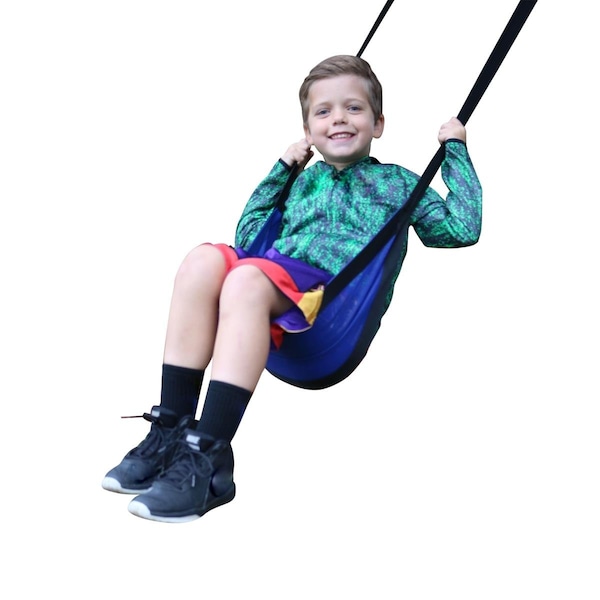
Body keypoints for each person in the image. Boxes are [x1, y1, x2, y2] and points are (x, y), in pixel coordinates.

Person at [102, 54, 482, 523]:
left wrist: (455, 151)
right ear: (308, 131)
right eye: (324, 111)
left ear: (379, 124)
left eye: (354, 108)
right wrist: (283, 168)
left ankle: (207, 456)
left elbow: (461, 228)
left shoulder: (397, 183)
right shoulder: (304, 180)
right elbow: (249, 235)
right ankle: (170, 432)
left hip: (327, 304)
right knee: (202, 260)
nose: (339, 118)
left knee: (245, 278)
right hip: (267, 279)